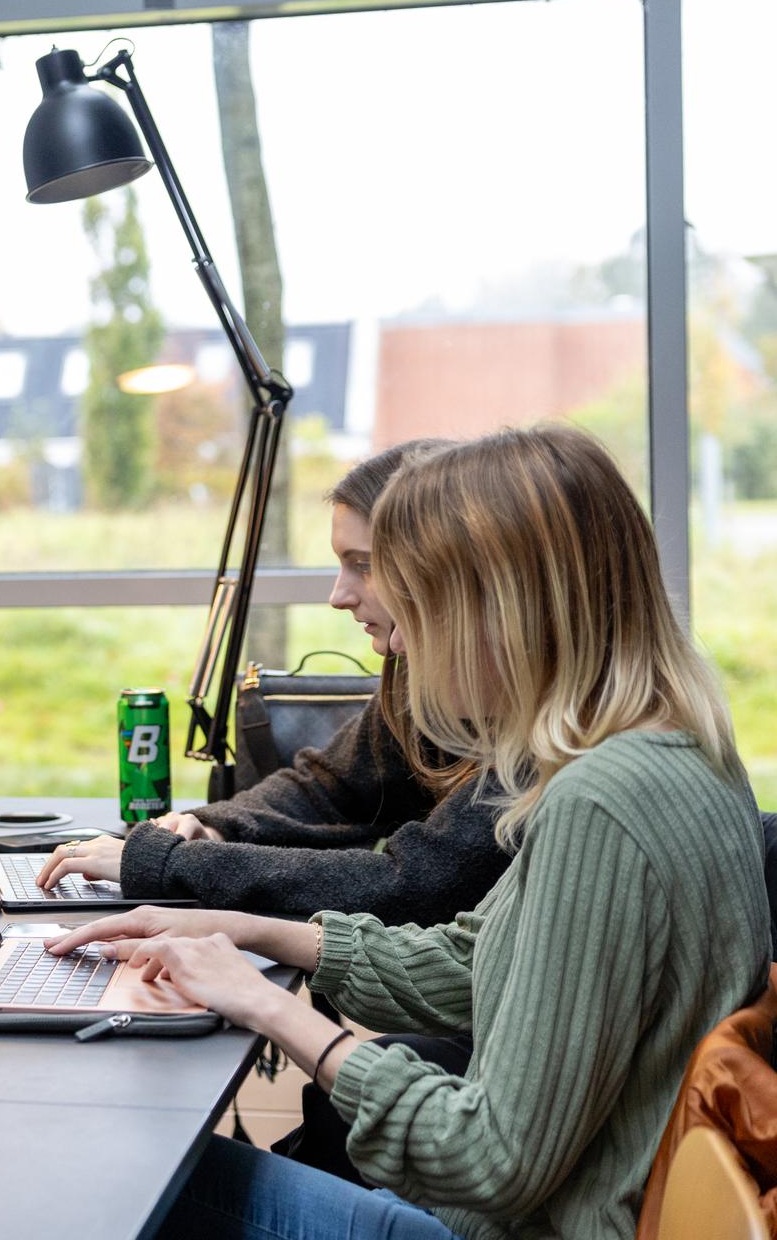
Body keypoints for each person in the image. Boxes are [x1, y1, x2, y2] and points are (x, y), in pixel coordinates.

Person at [48, 425, 770, 1240]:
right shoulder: (674, 746)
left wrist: (268, 1006)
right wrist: (246, 929)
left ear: (500, 611)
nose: (398, 643)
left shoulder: (602, 802)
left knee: (122, 1162)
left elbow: (490, 1158)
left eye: (416, 612)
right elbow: (479, 963)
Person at [38, 438, 511, 928]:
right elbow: (329, 788)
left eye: (365, 565)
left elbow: (413, 885)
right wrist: (214, 830)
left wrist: (175, 864)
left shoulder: (540, 737)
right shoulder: (418, 678)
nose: (338, 596)